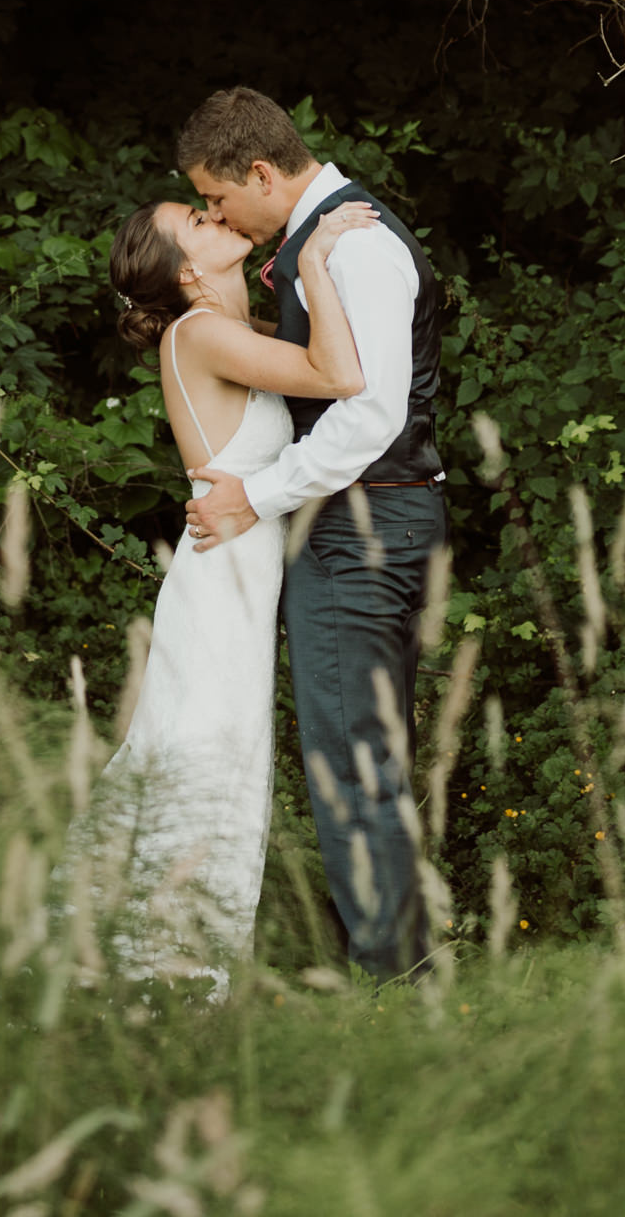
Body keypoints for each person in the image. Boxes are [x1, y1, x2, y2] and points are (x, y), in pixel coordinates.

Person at [58, 190, 370, 991]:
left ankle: (149, 971)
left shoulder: (225, 331)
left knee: (209, 771)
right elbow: (337, 373)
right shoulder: (199, 334)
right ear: (187, 271)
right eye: (196, 222)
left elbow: (309, 357)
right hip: (218, 591)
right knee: (202, 774)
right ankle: (163, 979)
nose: (215, 213)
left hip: (236, 584)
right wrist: (307, 260)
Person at [178, 86, 446, 981]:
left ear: (259, 173)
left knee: (350, 763)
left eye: (216, 198)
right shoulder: (327, 242)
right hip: (378, 517)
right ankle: (393, 958)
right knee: (368, 756)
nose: (214, 213)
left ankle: (391, 981)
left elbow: (368, 416)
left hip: (360, 521)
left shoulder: (357, 246)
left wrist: (257, 495)